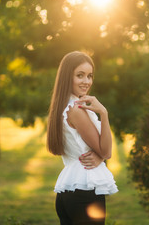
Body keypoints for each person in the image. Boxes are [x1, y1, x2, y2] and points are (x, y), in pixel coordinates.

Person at [47, 51, 118, 225]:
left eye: (89, 76)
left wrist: (99, 155)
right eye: (80, 75)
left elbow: (101, 152)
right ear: (67, 77)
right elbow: (106, 151)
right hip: (84, 191)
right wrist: (104, 113)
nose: (86, 81)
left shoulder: (63, 107)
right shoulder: (76, 110)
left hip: (70, 190)